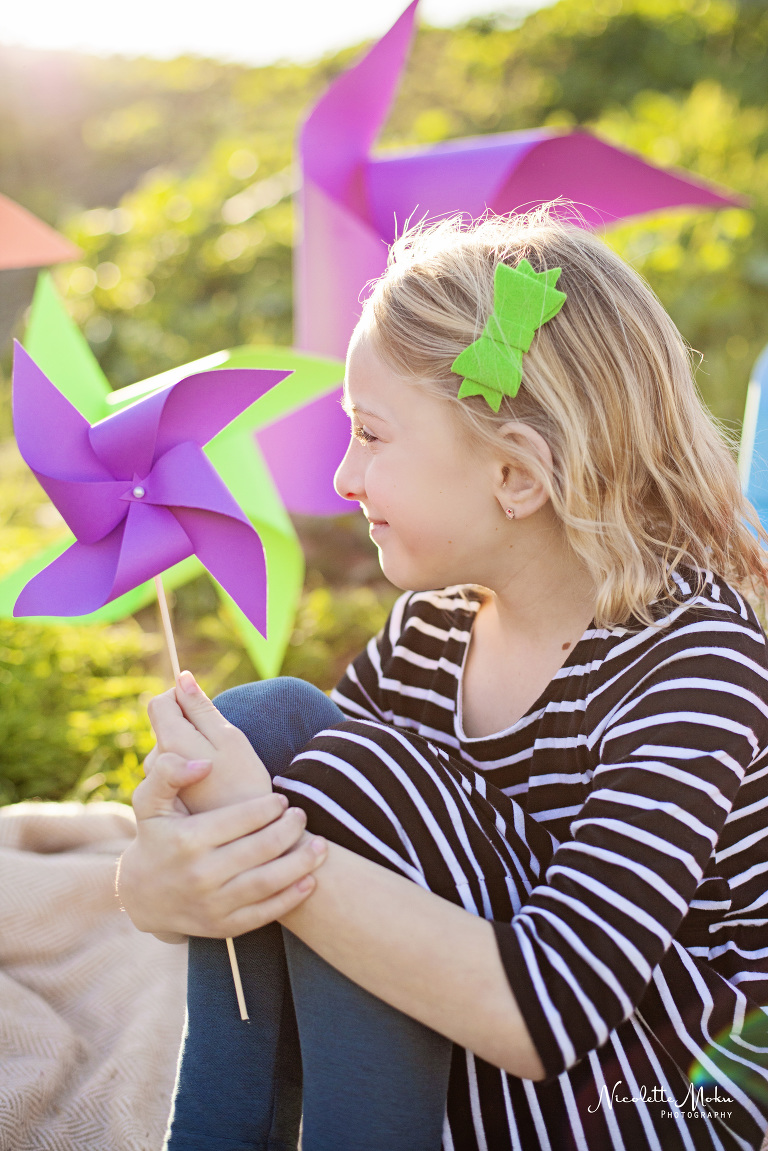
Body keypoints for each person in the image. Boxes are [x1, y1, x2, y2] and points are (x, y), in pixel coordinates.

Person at [118, 207, 768, 1151]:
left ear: (515, 474)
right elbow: (326, 820)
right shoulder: (433, 630)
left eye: (372, 435)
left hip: (665, 1098)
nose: (343, 477)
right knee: (270, 723)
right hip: (491, 1056)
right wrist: (162, 875)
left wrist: (267, 848)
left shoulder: (696, 660)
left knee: (331, 782)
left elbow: (555, 1007)